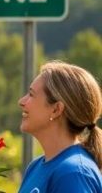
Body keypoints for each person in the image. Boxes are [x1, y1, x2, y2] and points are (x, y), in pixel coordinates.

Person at [18, 61, 102, 192]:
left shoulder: (73, 173)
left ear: (56, 109)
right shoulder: (35, 167)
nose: (21, 102)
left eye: (31, 94)